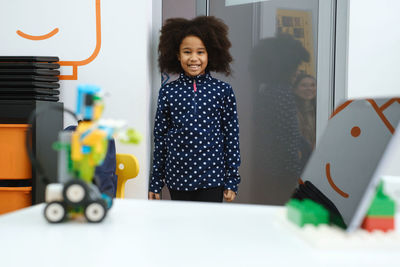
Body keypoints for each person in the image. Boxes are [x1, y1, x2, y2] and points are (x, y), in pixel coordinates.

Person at [148, 16, 241, 202]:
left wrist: (232, 180)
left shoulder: (223, 90)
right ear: (177, 55)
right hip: (177, 177)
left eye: (200, 52)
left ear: (210, 55)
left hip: (212, 177)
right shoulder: (168, 91)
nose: (193, 58)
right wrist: (156, 181)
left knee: (208, 228)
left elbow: (231, 136)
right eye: (187, 52)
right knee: (181, 228)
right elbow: (160, 137)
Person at [248, 34, 310, 205]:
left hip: (263, 172)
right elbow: (287, 142)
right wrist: (297, 179)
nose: (298, 71)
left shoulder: (263, 92)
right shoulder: (282, 94)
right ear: (285, 67)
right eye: (295, 66)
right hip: (280, 177)